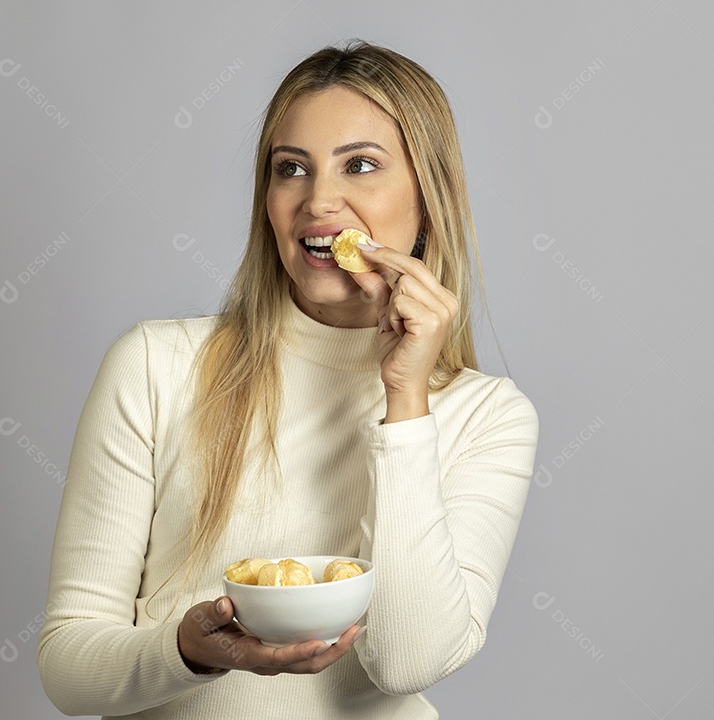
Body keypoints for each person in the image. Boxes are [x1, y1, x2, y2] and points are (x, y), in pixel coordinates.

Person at [37, 39, 539, 719]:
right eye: (291, 169)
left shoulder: (489, 416)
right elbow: (69, 670)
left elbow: (406, 661)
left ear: (429, 199)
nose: (318, 201)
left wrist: (405, 400)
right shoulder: (156, 367)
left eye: (359, 165)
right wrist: (190, 651)